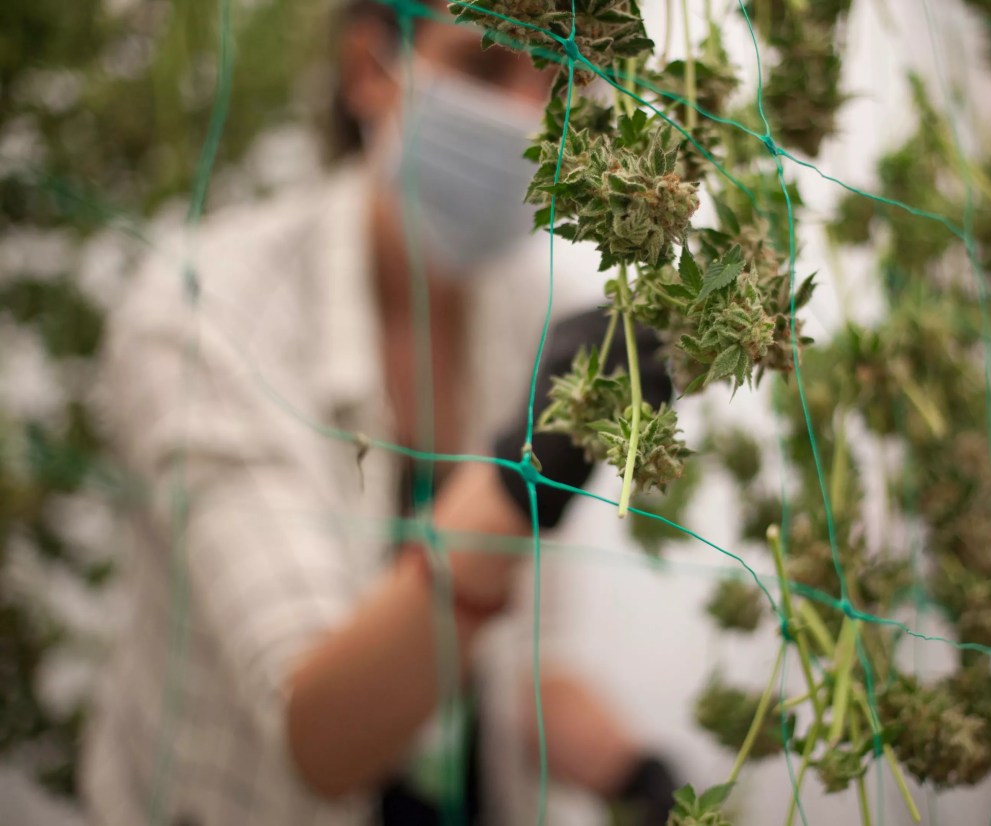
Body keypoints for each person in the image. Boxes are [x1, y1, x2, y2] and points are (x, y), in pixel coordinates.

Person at [81, 2, 678, 824]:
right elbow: (320, 738)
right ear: (371, 69)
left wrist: (643, 776)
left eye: (566, 88)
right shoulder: (204, 315)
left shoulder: (534, 318)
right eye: (483, 66)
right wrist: (514, 487)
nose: (528, 121)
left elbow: (521, 675)